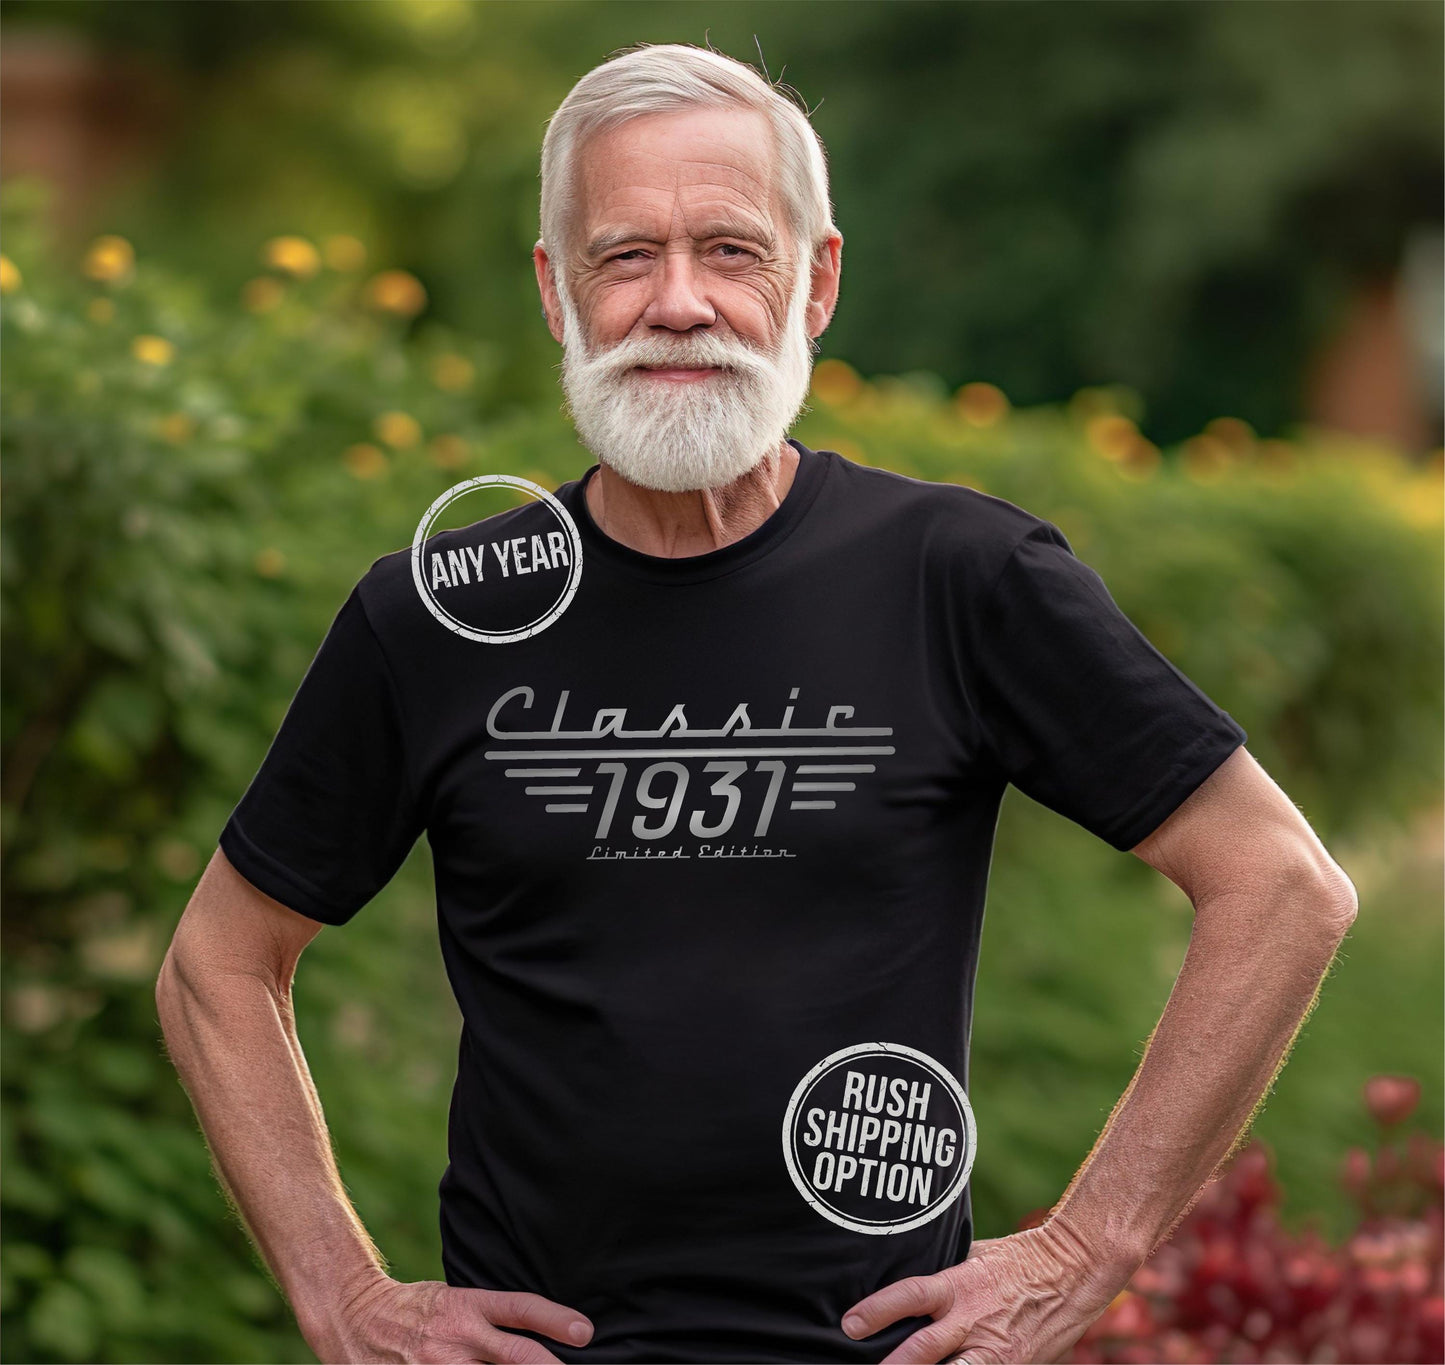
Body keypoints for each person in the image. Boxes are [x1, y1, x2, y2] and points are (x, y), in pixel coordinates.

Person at [156, 41, 1359, 1365]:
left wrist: (1088, 1244)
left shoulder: (958, 578)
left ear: (817, 280)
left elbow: (1279, 884)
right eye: (625, 257)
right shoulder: (444, 610)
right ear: (557, 295)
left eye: (731, 250)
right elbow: (219, 959)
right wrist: (341, 1288)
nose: (679, 302)